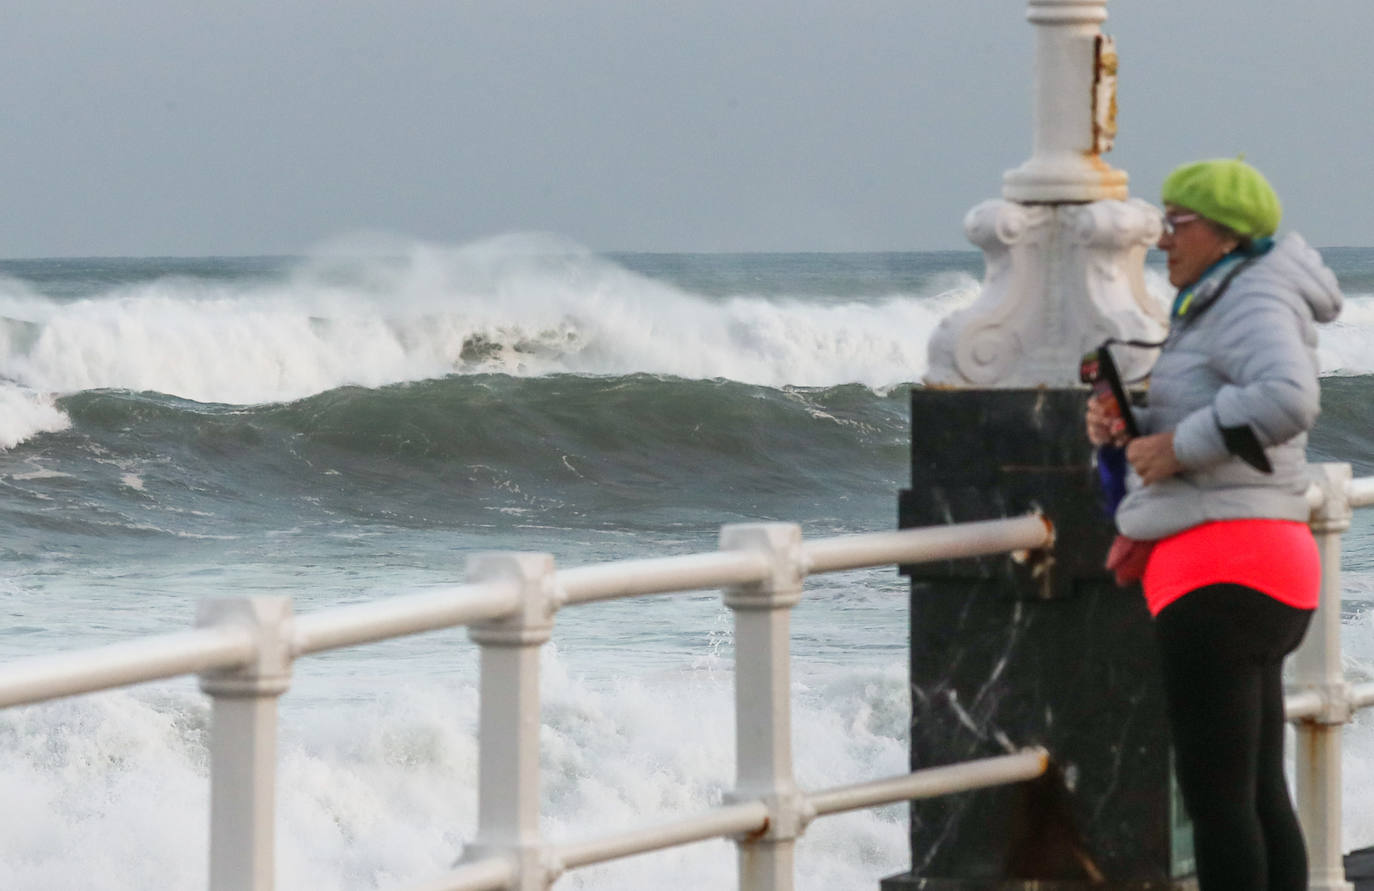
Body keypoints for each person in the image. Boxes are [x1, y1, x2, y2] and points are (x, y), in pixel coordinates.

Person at [1085, 158, 1343, 891]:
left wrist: (1177, 445)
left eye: (1177, 223)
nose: (1162, 239)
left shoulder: (1249, 299)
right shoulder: (1225, 297)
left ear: (1225, 233)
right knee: (1257, 790)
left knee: (1219, 801)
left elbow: (1289, 396)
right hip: (1259, 561)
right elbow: (1234, 408)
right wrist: (1128, 426)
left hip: (1222, 572)